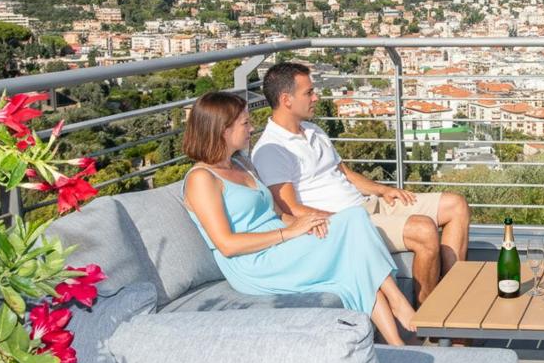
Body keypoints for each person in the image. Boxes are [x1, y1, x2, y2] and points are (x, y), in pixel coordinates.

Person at [180, 91, 417, 346]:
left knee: (353, 256)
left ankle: (397, 346)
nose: (252, 128)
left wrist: (307, 224)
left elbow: (278, 214)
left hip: (282, 245)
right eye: (245, 123)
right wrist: (288, 233)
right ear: (222, 130)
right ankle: (398, 302)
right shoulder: (202, 179)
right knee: (355, 219)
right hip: (254, 263)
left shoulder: (241, 165)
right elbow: (227, 244)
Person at [251, 62, 471, 306]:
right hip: (347, 223)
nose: (316, 97)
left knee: (456, 205)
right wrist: (347, 222)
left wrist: (384, 190)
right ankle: (431, 315)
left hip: (367, 205)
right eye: (309, 92)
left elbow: (346, 174)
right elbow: (290, 209)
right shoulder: (271, 150)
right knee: (425, 230)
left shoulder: (313, 130)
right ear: (286, 99)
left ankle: (454, 300)